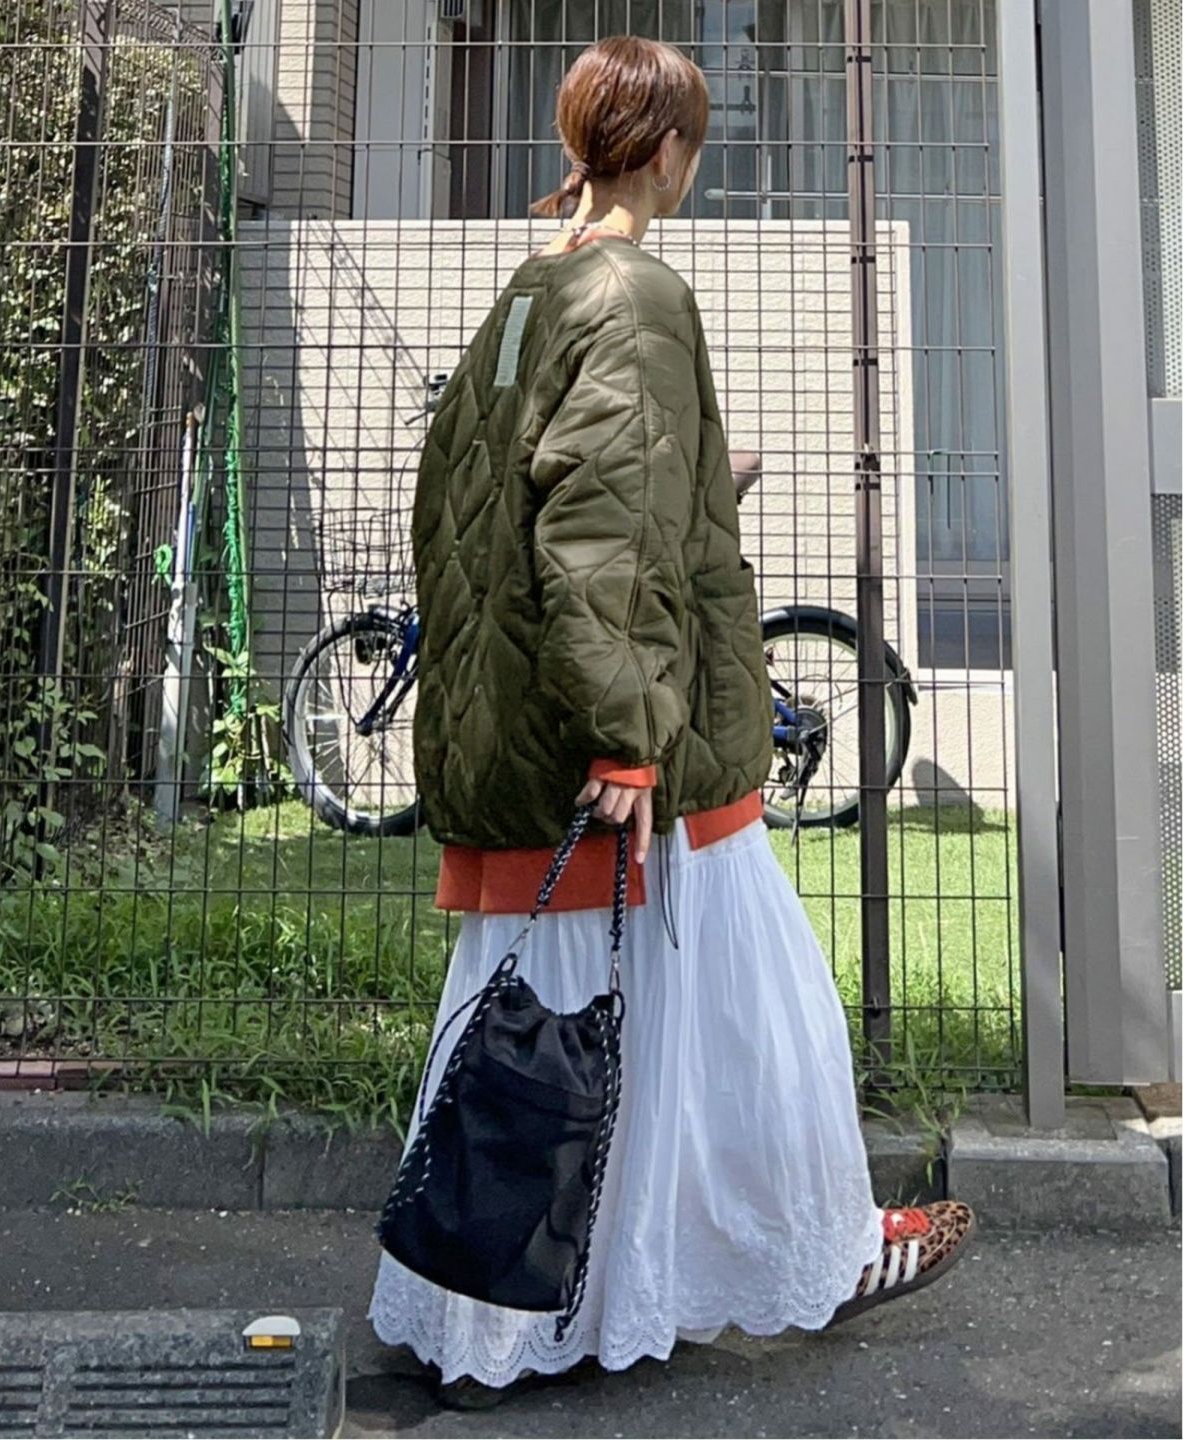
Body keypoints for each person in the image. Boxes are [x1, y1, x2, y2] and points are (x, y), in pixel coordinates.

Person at [369, 34, 974, 1410]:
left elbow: (510, 498)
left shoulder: (533, 290)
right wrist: (628, 735)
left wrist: (705, 475)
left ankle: (493, 1316)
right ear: (664, 152)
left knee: (557, 1023)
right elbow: (596, 530)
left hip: (521, 733)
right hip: (628, 744)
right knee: (751, 1012)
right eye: (692, 138)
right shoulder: (635, 294)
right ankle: (812, 1248)